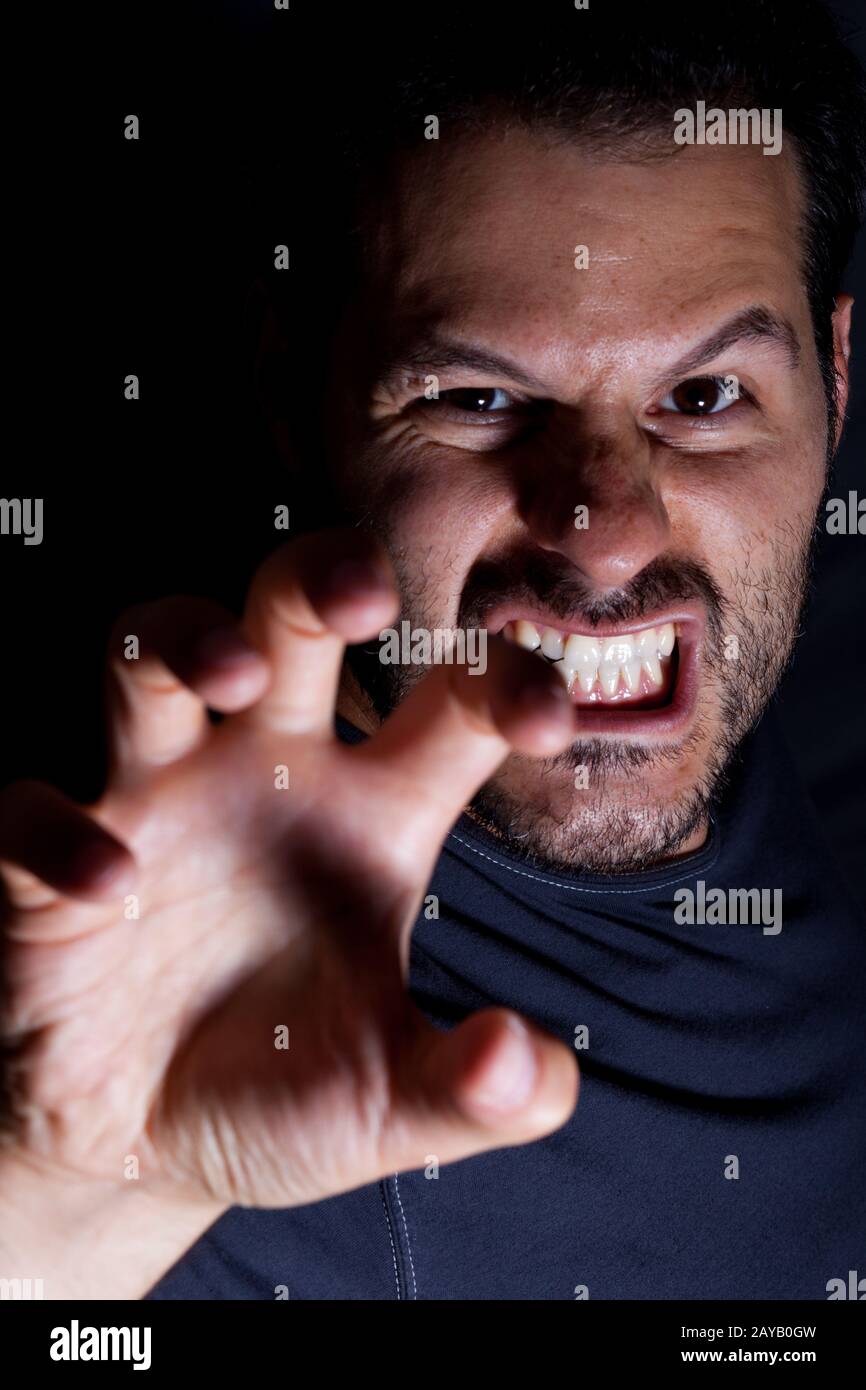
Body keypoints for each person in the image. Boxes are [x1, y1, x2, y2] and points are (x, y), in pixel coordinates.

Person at [2, 0, 865, 1300]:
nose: (606, 532)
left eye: (701, 399)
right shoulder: (142, 978)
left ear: (836, 383)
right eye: (478, 399)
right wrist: (64, 1200)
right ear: (292, 390)